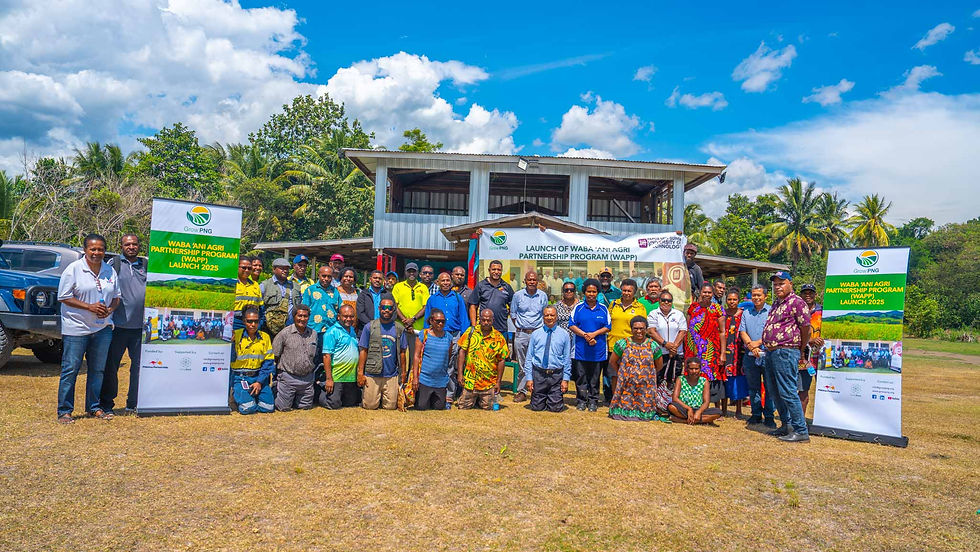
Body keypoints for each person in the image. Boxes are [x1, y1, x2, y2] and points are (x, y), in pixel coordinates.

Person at [56, 233, 122, 424]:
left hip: (102, 329)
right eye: (92, 249)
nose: (96, 252)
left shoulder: (110, 271)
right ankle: (65, 411)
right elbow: (64, 296)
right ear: (85, 250)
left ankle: (94, 407)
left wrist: (110, 309)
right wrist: (89, 307)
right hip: (76, 328)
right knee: (71, 369)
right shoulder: (74, 269)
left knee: (98, 370)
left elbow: (116, 296)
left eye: (100, 249)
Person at [762, 271, 812, 442]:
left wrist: (801, 347)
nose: (778, 287)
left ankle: (801, 430)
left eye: (781, 283)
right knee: (774, 391)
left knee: (788, 391)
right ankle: (786, 425)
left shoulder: (797, 302)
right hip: (770, 352)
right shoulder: (776, 303)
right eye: (775, 284)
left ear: (790, 283)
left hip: (786, 351)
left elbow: (806, 328)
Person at [102, 233, 146, 415]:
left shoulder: (146, 265)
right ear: (121, 246)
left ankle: (133, 403)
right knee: (111, 368)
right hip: (118, 327)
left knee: (138, 369)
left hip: (140, 329)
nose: (131, 247)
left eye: (134, 244)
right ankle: (106, 405)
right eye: (127, 244)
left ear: (138, 246)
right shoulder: (114, 265)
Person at [608, 314, 666, 421]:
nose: (639, 331)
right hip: (626, 383)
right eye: (636, 328)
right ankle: (623, 414)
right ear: (631, 329)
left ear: (646, 329)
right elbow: (613, 361)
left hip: (645, 385)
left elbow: (659, 365)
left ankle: (643, 415)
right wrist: (622, 373)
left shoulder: (653, 345)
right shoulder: (622, 343)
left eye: (641, 329)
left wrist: (648, 375)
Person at [424, 272, 470, 404]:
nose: (445, 283)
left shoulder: (457, 297)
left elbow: (463, 318)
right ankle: (435, 391)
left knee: (451, 365)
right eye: (442, 280)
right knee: (438, 363)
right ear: (437, 283)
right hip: (437, 336)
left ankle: (449, 393)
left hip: (454, 335)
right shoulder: (432, 299)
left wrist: (463, 337)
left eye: (447, 280)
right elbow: (428, 319)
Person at [356, 297, 409, 410]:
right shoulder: (369, 327)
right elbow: (363, 350)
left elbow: (402, 352)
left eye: (389, 308)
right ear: (379, 308)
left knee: (390, 407)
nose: (386, 310)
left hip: (391, 374)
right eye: (384, 307)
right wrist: (360, 373)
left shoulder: (399, 328)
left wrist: (403, 373)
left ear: (393, 310)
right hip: (372, 373)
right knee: (370, 406)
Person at [568, 279, 611, 412]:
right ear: (584, 292)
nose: (591, 294)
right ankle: (581, 400)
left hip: (598, 350)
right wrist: (586, 335)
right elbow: (572, 325)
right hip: (581, 349)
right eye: (588, 291)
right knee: (581, 376)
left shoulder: (603, 308)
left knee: (594, 378)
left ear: (597, 293)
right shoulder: (578, 307)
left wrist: (594, 334)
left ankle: (593, 401)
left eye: (594, 291)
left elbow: (608, 326)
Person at [685, 282, 727, 408]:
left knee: (712, 376)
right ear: (700, 293)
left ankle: (716, 408)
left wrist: (723, 353)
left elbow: (722, 331)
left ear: (712, 293)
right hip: (693, 350)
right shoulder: (692, 308)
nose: (707, 294)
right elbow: (687, 328)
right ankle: (695, 404)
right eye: (704, 292)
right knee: (693, 374)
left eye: (709, 292)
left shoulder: (718, 309)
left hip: (711, 350)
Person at [456, 308, 509, 410]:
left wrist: (498, 382)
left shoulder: (499, 338)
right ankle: (474, 400)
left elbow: (502, 360)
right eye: (483, 320)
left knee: (490, 407)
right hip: (470, 382)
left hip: (488, 383)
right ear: (479, 319)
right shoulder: (471, 332)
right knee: (462, 406)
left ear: (493, 320)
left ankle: (480, 400)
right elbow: (462, 351)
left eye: (488, 320)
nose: (486, 322)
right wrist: (460, 374)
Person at [647, 290, 688, 416]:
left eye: (669, 300)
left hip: (676, 353)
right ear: (659, 301)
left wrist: (674, 346)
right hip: (659, 352)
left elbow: (683, 331)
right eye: (663, 300)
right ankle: (656, 406)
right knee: (658, 379)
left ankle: (670, 406)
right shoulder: (654, 314)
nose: (666, 302)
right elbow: (651, 331)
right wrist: (665, 344)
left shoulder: (679, 314)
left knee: (673, 380)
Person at [510, 270, 549, 403]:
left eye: (534, 280)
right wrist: (522, 328)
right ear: (525, 281)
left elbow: (545, 315)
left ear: (537, 281)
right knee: (522, 363)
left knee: (538, 362)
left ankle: (537, 391)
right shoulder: (517, 295)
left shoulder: (543, 296)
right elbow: (513, 314)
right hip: (521, 334)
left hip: (538, 333)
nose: (532, 282)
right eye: (529, 280)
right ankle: (522, 391)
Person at [605, 279, 646, 403]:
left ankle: (629, 399)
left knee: (631, 375)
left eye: (629, 291)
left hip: (630, 347)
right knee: (615, 375)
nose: (626, 293)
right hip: (613, 346)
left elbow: (642, 328)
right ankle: (615, 400)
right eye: (624, 290)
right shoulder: (613, 305)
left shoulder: (640, 307)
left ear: (634, 292)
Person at [739, 284, 774, 428]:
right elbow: (742, 331)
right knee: (753, 387)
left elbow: (772, 332)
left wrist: (758, 344)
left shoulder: (772, 311)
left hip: (768, 354)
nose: (756, 298)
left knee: (769, 386)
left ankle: (770, 416)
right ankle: (756, 414)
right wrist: (750, 345)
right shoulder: (746, 313)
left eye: (759, 295)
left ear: (765, 296)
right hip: (750, 355)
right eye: (754, 295)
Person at [525, 306, 571, 413]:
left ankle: (553, 397)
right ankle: (540, 398)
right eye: (546, 315)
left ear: (556, 317)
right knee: (536, 408)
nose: (549, 317)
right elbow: (529, 357)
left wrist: (565, 379)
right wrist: (529, 378)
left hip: (556, 375)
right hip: (539, 374)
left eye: (552, 315)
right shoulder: (536, 334)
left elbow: (567, 359)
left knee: (556, 409)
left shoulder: (564, 335)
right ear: (543, 317)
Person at [272, 304, 318, 411]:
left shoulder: (314, 334)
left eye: (305, 316)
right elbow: (275, 355)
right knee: (283, 408)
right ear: (294, 316)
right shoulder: (284, 334)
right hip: (288, 377)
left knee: (305, 408)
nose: (302, 319)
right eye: (300, 316)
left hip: (307, 380)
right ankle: (276, 388)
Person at [230, 305, 275, 415]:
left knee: (268, 408)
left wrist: (259, 382)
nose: (253, 325)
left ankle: (251, 396)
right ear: (244, 321)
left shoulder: (265, 337)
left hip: (258, 377)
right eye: (249, 321)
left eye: (255, 321)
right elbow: (230, 358)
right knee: (248, 409)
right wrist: (231, 344)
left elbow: (268, 362)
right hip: (240, 377)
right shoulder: (236, 335)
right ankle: (240, 395)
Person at [320, 304, 362, 409]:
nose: (349, 319)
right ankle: (319, 391)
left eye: (352, 316)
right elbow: (326, 356)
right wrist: (329, 379)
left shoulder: (352, 330)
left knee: (350, 403)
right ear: (339, 317)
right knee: (334, 404)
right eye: (345, 316)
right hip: (337, 376)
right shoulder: (331, 332)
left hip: (351, 377)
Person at [412, 308, 455, 411]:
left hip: (440, 380)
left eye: (443, 321)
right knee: (422, 407)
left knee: (439, 407)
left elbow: (448, 356)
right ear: (431, 321)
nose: (440, 323)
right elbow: (416, 356)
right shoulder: (423, 335)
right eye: (438, 321)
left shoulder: (448, 337)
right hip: (424, 379)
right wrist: (415, 378)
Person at [392, 262, 429, 375]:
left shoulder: (423, 287)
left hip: (417, 330)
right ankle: (399, 384)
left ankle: (411, 385)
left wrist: (412, 319)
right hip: (401, 328)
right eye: (409, 271)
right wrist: (405, 321)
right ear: (405, 272)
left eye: (414, 271)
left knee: (415, 359)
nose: (411, 273)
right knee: (400, 357)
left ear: (418, 273)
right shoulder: (398, 286)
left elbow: (425, 306)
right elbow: (395, 305)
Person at [668, 357, 723, 424]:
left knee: (718, 412)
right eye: (691, 369)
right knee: (671, 406)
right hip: (684, 409)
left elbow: (706, 402)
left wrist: (699, 412)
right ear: (687, 369)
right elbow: (675, 398)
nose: (694, 371)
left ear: (700, 369)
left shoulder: (704, 381)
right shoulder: (680, 379)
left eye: (696, 369)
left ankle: (683, 420)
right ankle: (702, 420)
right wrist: (689, 409)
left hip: (699, 409)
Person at [302, 265, 342, 354]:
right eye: (324, 276)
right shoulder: (310, 290)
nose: (326, 279)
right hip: (313, 331)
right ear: (318, 275)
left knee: (327, 357)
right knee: (312, 357)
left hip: (330, 331)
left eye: (329, 276)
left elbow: (340, 310)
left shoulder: (335, 292)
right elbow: (304, 310)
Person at [467, 259, 514, 334]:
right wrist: (474, 325)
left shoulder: (506, 287)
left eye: (499, 270)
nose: (496, 272)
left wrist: (506, 313)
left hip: (501, 329)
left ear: (501, 271)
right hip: (483, 328)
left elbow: (513, 306)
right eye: (494, 269)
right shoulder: (481, 285)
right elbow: (473, 306)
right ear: (489, 270)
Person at [798, 283, 824, 414]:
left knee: (825, 389)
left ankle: (823, 420)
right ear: (801, 295)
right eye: (805, 293)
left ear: (815, 294)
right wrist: (810, 340)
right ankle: (800, 421)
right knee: (803, 389)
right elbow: (793, 332)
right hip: (803, 356)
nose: (808, 295)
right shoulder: (797, 311)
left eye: (810, 293)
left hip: (821, 356)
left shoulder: (823, 311)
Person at [722, 289, 747, 417]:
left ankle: (738, 410)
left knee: (739, 380)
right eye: (730, 299)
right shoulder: (722, 314)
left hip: (739, 352)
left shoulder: (743, 314)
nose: (732, 302)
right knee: (725, 379)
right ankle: (724, 410)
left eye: (734, 299)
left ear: (738, 300)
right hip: (725, 351)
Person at [260, 258, 296, 337]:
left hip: (290, 328)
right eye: (282, 268)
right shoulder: (265, 285)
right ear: (274, 269)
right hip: (270, 328)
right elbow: (259, 307)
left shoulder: (295, 286)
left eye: (287, 269)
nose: (285, 271)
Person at [234, 256, 263, 330]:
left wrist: (260, 323)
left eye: (249, 268)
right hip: (235, 322)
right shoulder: (231, 284)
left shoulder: (255, 285)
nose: (246, 270)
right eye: (243, 268)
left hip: (252, 323)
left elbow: (261, 308)